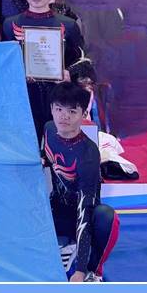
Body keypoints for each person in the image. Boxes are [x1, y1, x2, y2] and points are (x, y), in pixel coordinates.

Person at [41, 82, 120, 282]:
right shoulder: (49, 129)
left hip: (83, 215)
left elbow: (85, 210)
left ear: (84, 114)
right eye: (59, 109)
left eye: (72, 111)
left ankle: (94, 270)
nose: (64, 116)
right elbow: (47, 157)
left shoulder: (88, 155)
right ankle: (63, 244)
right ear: (51, 109)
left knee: (106, 217)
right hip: (56, 210)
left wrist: (80, 270)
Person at [1, 0, 85, 141]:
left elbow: (82, 61)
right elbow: (5, 62)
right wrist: (18, 73)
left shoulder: (68, 25)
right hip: (24, 95)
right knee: (26, 142)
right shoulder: (10, 24)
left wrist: (69, 74)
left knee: (56, 142)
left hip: (58, 96)